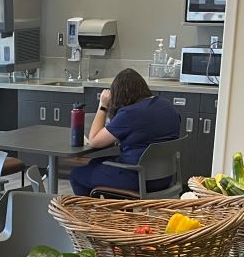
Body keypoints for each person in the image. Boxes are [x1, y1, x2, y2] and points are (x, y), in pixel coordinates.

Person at [70, 68, 181, 196]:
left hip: (138, 177)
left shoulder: (130, 113)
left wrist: (103, 105)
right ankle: (118, 212)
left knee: (78, 175)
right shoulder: (166, 105)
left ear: (121, 94)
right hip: (165, 177)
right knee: (94, 163)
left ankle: (93, 216)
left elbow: (94, 140)